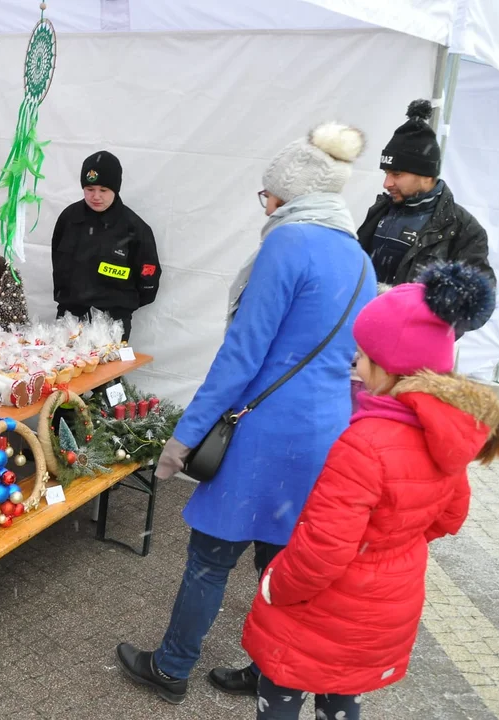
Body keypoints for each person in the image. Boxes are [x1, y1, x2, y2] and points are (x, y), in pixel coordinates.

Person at [114, 122, 376, 704]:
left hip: (265, 431)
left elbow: (242, 354)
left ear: (285, 195)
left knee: (211, 556)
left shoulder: (286, 244)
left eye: (267, 194)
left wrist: (184, 437)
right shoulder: (360, 259)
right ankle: (270, 667)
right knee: (281, 560)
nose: (266, 205)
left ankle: (173, 666)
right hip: (325, 432)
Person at [241, 263, 499, 720]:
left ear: (392, 365)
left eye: (363, 355)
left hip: (325, 605)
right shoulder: (446, 433)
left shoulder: (364, 443)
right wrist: (386, 543)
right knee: (343, 690)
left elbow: (323, 551)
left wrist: (275, 585)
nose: (356, 364)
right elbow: (449, 517)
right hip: (388, 601)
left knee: (284, 684)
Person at [358, 100, 495, 331]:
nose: (387, 182)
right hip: (363, 339)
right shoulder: (379, 211)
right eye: (386, 173)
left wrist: (424, 335)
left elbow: (477, 303)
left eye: (396, 174)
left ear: (425, 175)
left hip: (411, 356)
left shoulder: (462, 228)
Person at [51, 151, 160, 342]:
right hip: (69, 318)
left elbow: (148, 276)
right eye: (90, 189)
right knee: (64, 370)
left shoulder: (134, 228)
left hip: (112, 324)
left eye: (103, 190)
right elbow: (57, 263)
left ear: (115, 189)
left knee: (108, 372)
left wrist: (120, 307)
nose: (96, 196)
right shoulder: (69, 218)